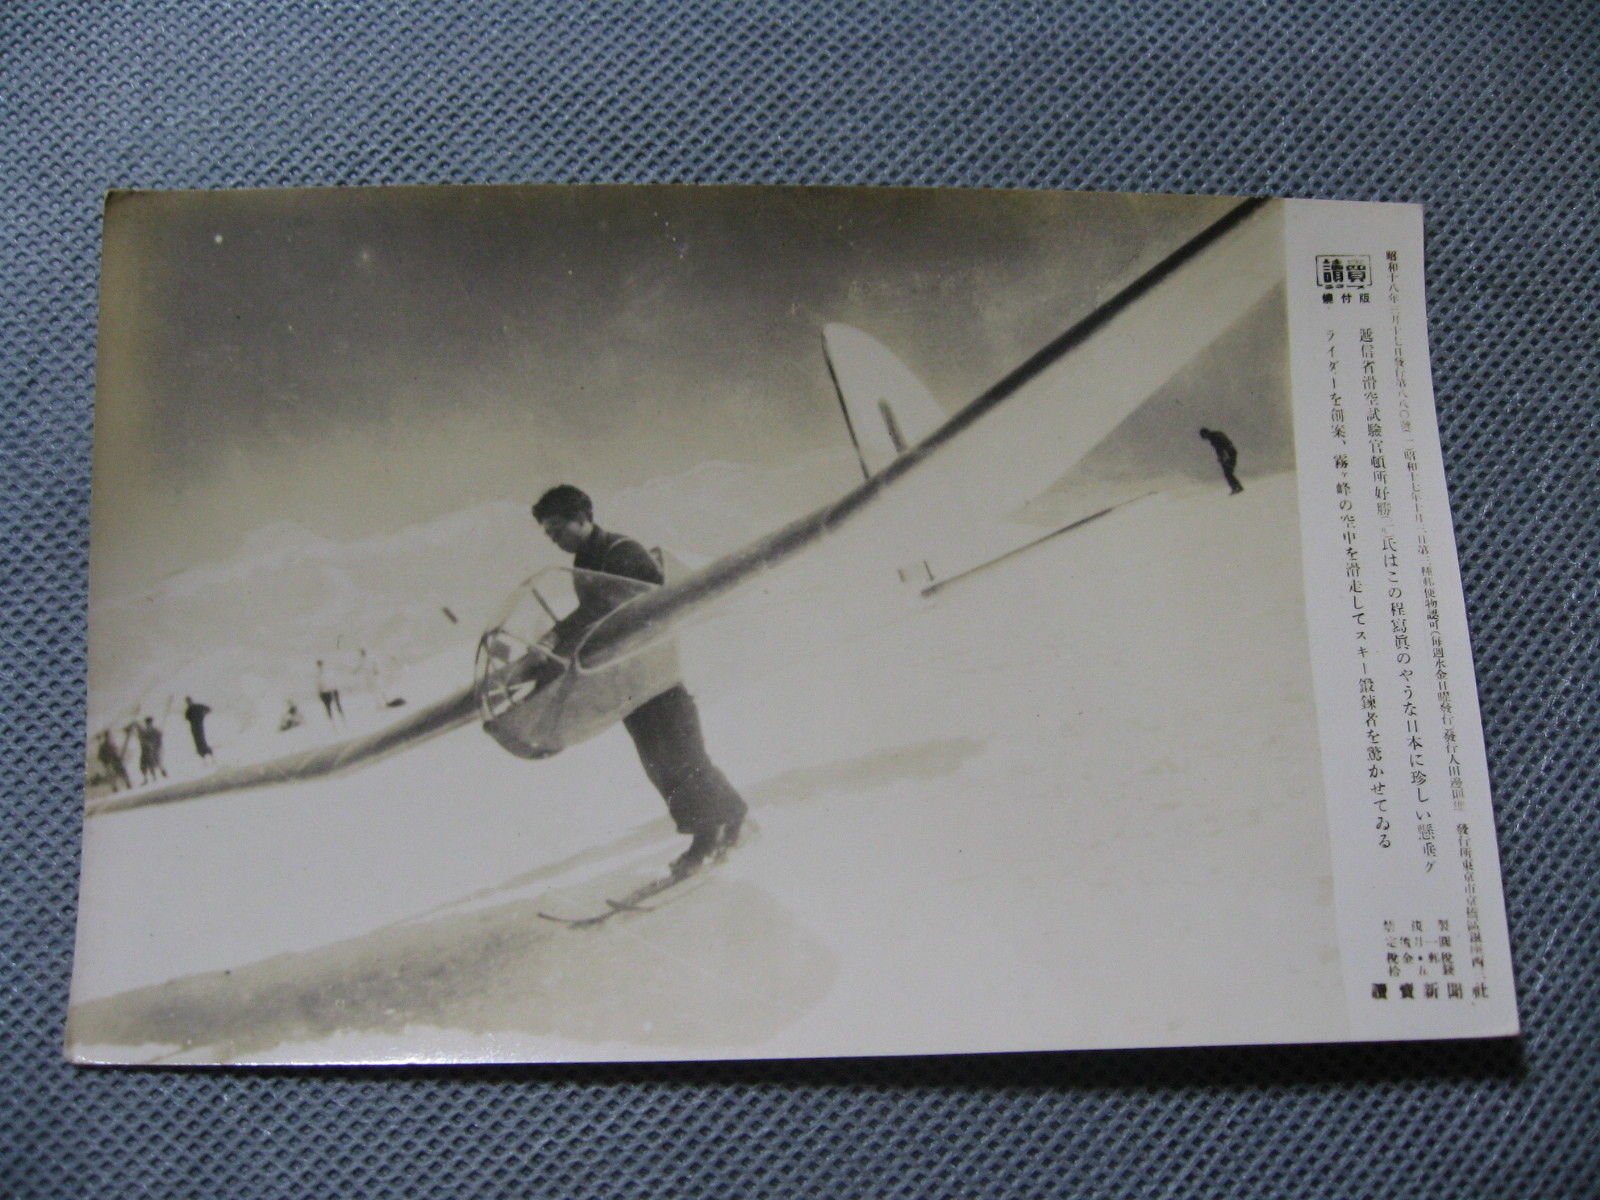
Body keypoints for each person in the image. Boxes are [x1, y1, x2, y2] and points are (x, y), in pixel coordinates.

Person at [533, 484, 747, 878]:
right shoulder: (585, 559)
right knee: (661, 762)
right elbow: (597, 614)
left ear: (583, 518)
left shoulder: (621, 551)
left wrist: (561, 633)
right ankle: (732, 816)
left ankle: (707, 837)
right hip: (629, 679)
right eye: (549, 533)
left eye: (558, 528)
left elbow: (635, 601)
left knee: (682, 757)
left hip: (654, 674)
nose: (554, 539)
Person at [1199, 427, 1244, 494]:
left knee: (1227, 472)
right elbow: (1225, 444)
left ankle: (1236, 487)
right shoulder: (1217, 434)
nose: (1205, 438)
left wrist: (1222, 457)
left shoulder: (1214, 438)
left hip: (1228, 454)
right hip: (1231, 452)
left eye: (1204, 436)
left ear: (1206, 434)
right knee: (1228, 472)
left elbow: (1220, 448)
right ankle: (1237, 487)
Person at [128, 716, 167, 784]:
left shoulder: (154, 730)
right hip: (147, 750)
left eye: (149, 723)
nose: (148, 725)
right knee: (146, 764)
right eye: (148, 723)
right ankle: (150, 777)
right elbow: (142, 737)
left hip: (154, 749)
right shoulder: (147, 731)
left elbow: (159, 738)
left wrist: (156, 745)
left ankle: (160, 774)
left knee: (156, 762)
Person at [315, 659, 345, 725]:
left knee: (328, 708)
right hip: (333, 690)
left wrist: (319, 694)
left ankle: (333, 724)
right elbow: (333, 680)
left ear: (317, 665)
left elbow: (319, 685)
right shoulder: (328, 671)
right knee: (338, 705)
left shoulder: (318, 674)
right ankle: (343, 721)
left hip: (326, 691)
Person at [184, 696, 214, 760]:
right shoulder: (195, 707)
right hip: (197, 725)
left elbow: (186, 718)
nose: (189, 703)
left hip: (195, 726)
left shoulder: (190, 709)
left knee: (198, 738)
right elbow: (208, 709)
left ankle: (203, 751)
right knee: (200, 737)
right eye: (188, 702)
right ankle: (204, 751)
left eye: (188, 702)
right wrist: (203, 714)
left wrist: (203, 714)